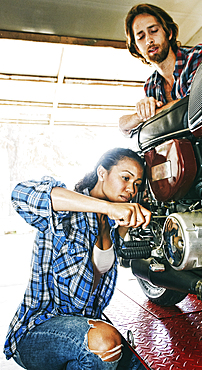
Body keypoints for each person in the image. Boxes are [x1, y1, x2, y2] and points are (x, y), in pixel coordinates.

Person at [4, 147, 151, 370]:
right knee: (105, 343)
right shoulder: (67, 211)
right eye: (125, 177)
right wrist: (108, 207)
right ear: (102, 172)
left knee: (141, 363)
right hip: (37, 331)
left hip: (84, 325)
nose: (131, 188)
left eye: (137, 184)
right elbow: (20, 195)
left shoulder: (113, 225)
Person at [119, 3, 202, 136]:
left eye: (154, 31)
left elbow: (194, 104)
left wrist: (148, 115)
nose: (149, 40)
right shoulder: (150, 86)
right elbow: (139, 129)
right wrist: (139, 115)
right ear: (137, 49)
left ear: (169, 33)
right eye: (141, 37)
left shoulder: (198, 56)